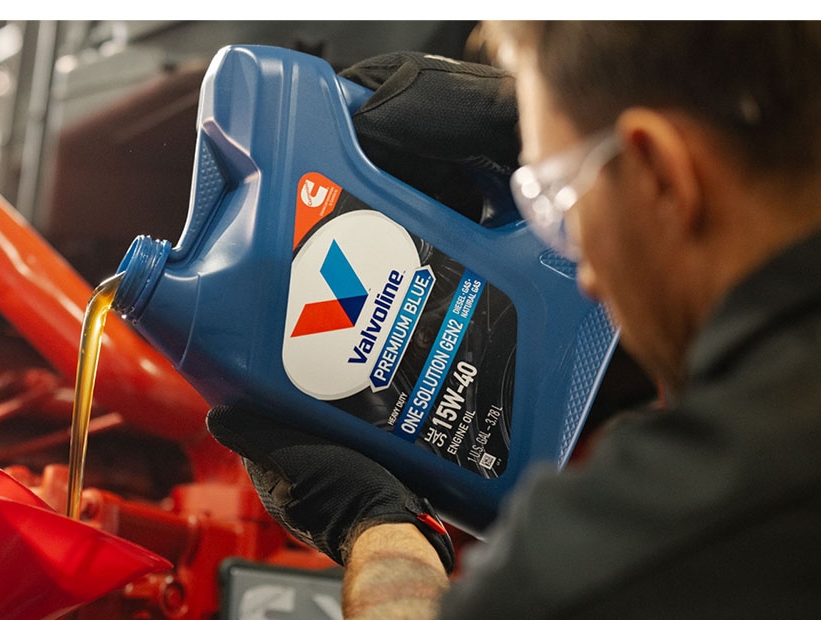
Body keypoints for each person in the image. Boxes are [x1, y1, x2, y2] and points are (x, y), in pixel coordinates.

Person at [206, 21, 821, 619]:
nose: (586, 277)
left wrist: (377, 527)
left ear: (659, 172)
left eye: (557, 201)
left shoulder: (668, 526)